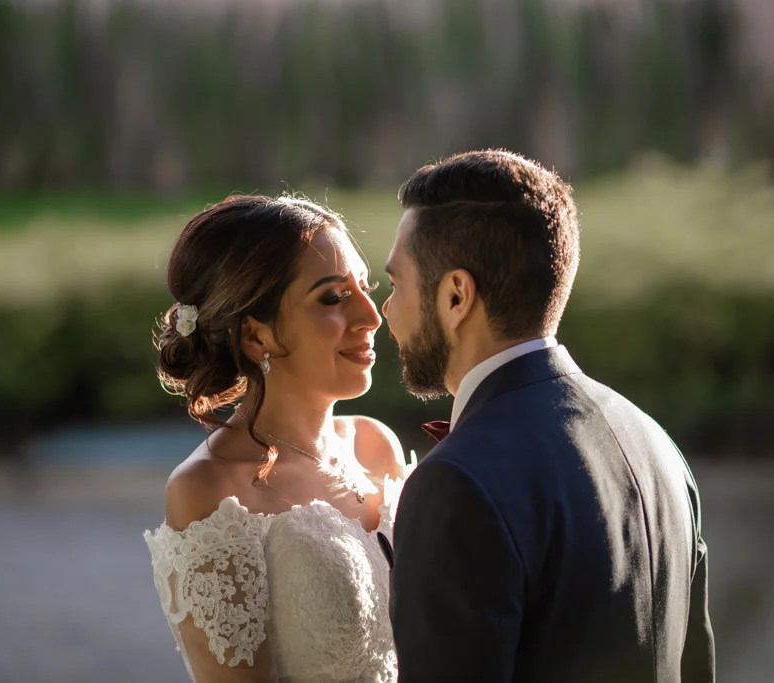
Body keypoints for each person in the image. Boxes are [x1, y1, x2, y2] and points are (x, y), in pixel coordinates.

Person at [382, 150, 716, 682]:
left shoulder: (456, 483)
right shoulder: (655, 443)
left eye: (396, 285)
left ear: (456, 296)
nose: (385, 311)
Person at [144, 194, 410, 683]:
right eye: (333, 297)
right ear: (256, 336)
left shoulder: (377, 446)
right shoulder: (210, 491)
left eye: (365, 288)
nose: (372, 317)